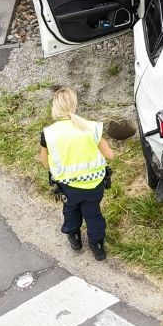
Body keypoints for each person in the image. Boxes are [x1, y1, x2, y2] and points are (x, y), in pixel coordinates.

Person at [37, 87, 114, 261]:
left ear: (55, 107)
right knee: (93, 213)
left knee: (70, 210)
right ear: (75, 104)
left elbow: (46, 164)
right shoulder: (91, 127)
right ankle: (98, 247)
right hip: (95, 184)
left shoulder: (48, 134)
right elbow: (110, 155)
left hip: (68, 186)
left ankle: (75, 239)